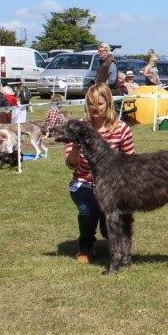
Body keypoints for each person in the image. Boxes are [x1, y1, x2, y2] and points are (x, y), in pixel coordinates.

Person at [64, 84, 134, 264]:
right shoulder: (79, 128)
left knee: (109, 225)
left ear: (109, 103)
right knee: (87, 211)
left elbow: (131, 163)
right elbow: (71, 165)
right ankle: (85, 247)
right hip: (84, 182)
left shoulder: (121, 129)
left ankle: (117, 247)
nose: (95, 108)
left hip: (114, 185)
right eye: (91, 104)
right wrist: (77, 147)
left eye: (100, 104)